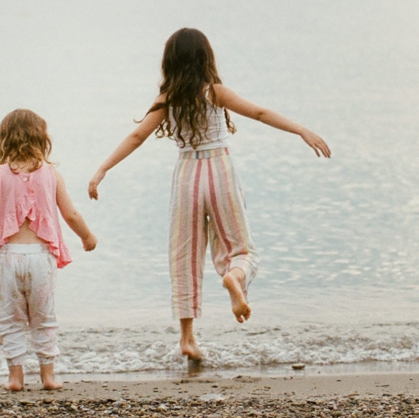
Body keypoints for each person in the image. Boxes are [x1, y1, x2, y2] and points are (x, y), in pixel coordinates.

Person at [88, 28, 330, 362]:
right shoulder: (214, 92)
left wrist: (103, 169)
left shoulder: (167, 100)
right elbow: (259, 113)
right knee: (241, 249)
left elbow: (136, 136)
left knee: (184, 257)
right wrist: (301, 129)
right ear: (206, 58)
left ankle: (187, 339)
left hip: (187, 176)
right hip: (220, 171)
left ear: (170, 62)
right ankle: (234, 276)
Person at [0, 109, 97, 391]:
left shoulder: (0, 175)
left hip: (8, 258)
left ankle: (15, 378)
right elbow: (71, 214)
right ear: (42, 138)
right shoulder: (52, 174)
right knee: (44, 317)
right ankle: (48, 376)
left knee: (10, 318)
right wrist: (87, 237)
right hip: (41, 258)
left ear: (4, 140)